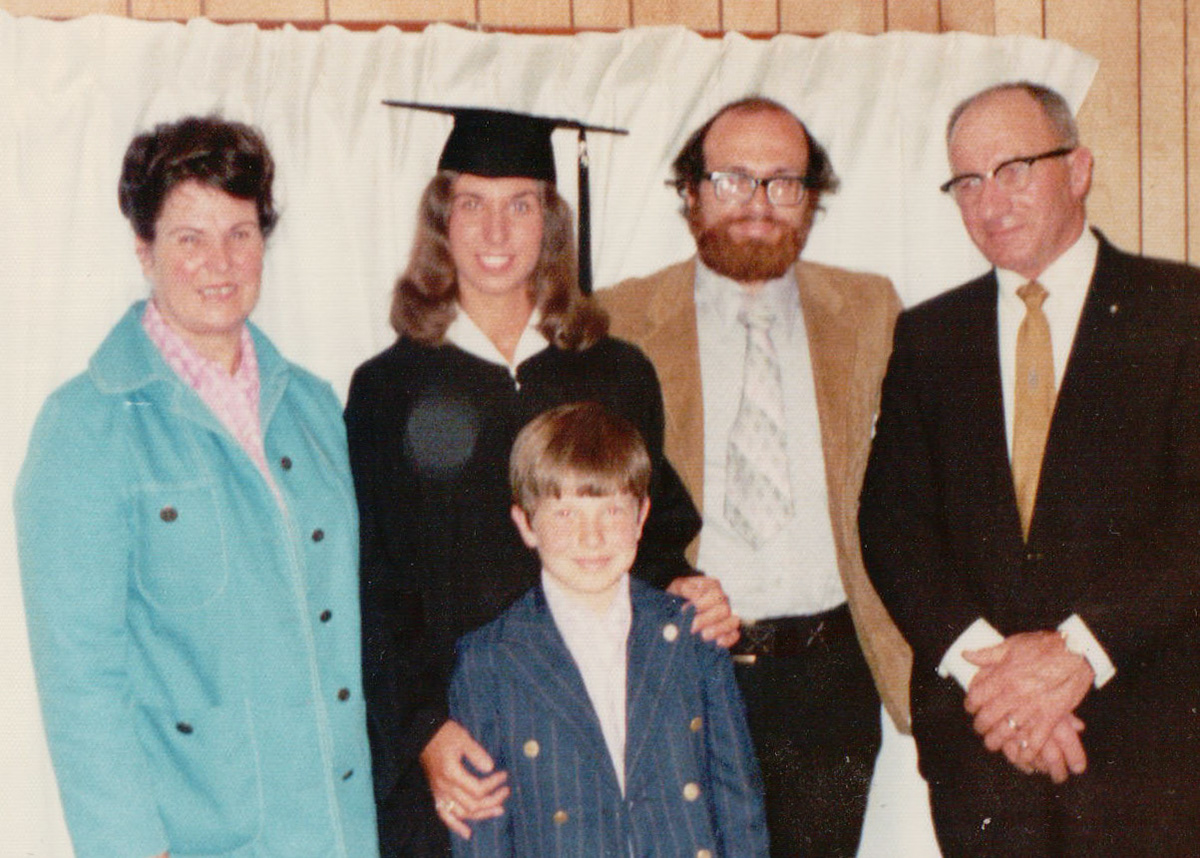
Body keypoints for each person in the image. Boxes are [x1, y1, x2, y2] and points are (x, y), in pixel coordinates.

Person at [345, 105, 738, 858]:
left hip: (602, 733)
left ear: (552, 224)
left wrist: (689, 589)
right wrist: (423, 732)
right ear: (441, 220)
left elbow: (651, 539)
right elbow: (373, 582)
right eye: (473, 205)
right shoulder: (388, 389)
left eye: (520, 205)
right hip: (467, 742)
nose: (496, 233)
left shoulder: (615, 373)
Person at [14, 116, 379, 858]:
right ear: (144, 250)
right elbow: (82, 685)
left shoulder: (311, 408)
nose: (220, 261)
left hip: (341, 835)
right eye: (189, 237)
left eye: (240, 233)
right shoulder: (85, 427)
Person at [858, 80, 1200, 856]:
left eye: (1014, 169)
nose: (990, 201)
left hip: (1149, 742)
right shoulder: (929, 335)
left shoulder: (1181, 313)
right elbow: (892, 524)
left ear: (1078, 170)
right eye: (967, 182)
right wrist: (998, 684)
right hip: (984, 745)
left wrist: (1079, 653)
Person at [598, 96, 911, 856]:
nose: (760, 204)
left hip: (830, 679)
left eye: (784, 182)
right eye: (734, 179)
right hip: (680, 670)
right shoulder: (618, 319)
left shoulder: (871, 310)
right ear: (691, 192)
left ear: (811, 199)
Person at [446, 401, 769, 857]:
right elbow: (484, 836)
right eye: (566, 514)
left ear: (641, 519)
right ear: (526, 524)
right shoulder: (490, 660)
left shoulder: (691, 634)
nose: (591, 538)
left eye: (613, 512)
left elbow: (740, 803)